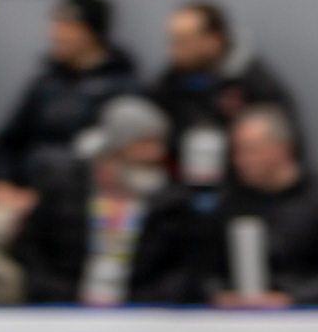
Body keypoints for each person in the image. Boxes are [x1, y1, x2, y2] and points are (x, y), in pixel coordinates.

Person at [11, 96, 194, 306]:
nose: (155, 153)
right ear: (116, 144)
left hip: (141, 311)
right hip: (62, 308)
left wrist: (138, 302)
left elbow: (183, 265)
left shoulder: (170, 199)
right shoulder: (63, 187)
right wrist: (62, 295)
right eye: (144, 142)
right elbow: (30, 250)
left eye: (160, 142)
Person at [200, 107, 318, 308]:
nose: (240, 161)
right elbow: (206, 266)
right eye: (236, 152)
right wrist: (219, 294)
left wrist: (293, 299)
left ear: (282, 149)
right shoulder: (233, 200)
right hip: (237, 312)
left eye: (250, 150)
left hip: (307, 313)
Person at [0, 0, 141, 194]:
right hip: (23, 192)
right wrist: (1, 182)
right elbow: (8, 142)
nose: (56, 34)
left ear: (92, 32)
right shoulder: (45, 83)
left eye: (68, 26)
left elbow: (122, 158)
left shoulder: (124, 88)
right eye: (56, 24)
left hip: (84, 198)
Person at [149, 1, 299, 192]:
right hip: (180, 184)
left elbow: (285, 145)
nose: (172, 51)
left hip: (240, 190)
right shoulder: (172, 78)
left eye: (183, 41)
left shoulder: (254, 84)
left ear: (214, 40)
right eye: (172, 40)